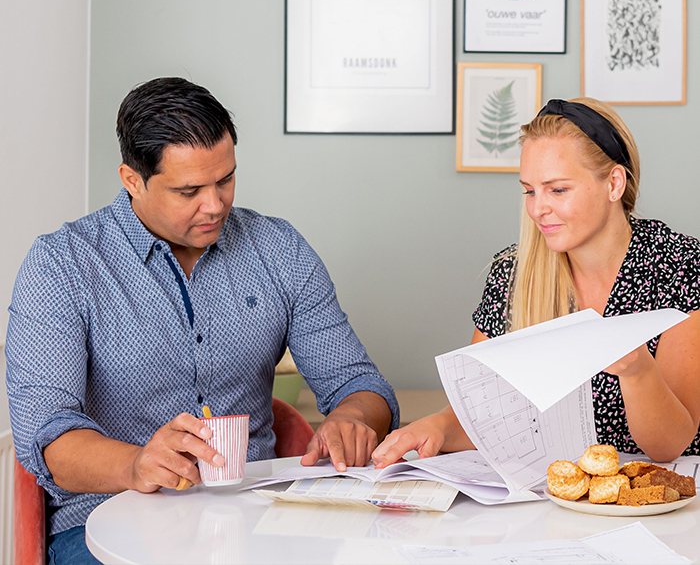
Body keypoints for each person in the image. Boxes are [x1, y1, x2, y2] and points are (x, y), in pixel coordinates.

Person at [6, 77, 399, 562]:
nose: (215, 206)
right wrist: (136, 463)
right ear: (133, 180)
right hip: (106, 517)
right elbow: (49, 436)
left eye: (226, 179)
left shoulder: (279, 250)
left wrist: (353, 419)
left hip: (256, 516)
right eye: (189, 190)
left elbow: (358, 384)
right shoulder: (61, 265)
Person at [372, 97, 700, 469]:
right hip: (549, 496)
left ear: (614, 183)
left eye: (557, 190)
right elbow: (487, 413)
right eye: (529, 190)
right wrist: (439, 427)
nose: (537, 209)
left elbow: (670, 445)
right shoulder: (514, 271)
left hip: (661, 497)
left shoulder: (681, 266)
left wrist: (638, 370)